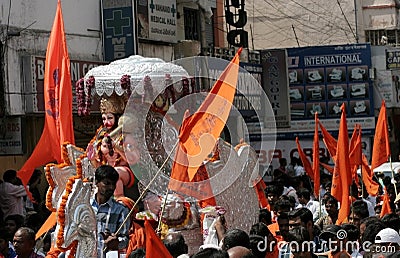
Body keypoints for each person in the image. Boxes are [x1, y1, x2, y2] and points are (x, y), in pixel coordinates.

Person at [91, 165, 131, 256]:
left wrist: (117, 243)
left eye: (113, 184)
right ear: (96, 182)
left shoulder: (121, 210)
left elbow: (125, 240)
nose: (111, 187)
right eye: (107, 183)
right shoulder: (86, 206)